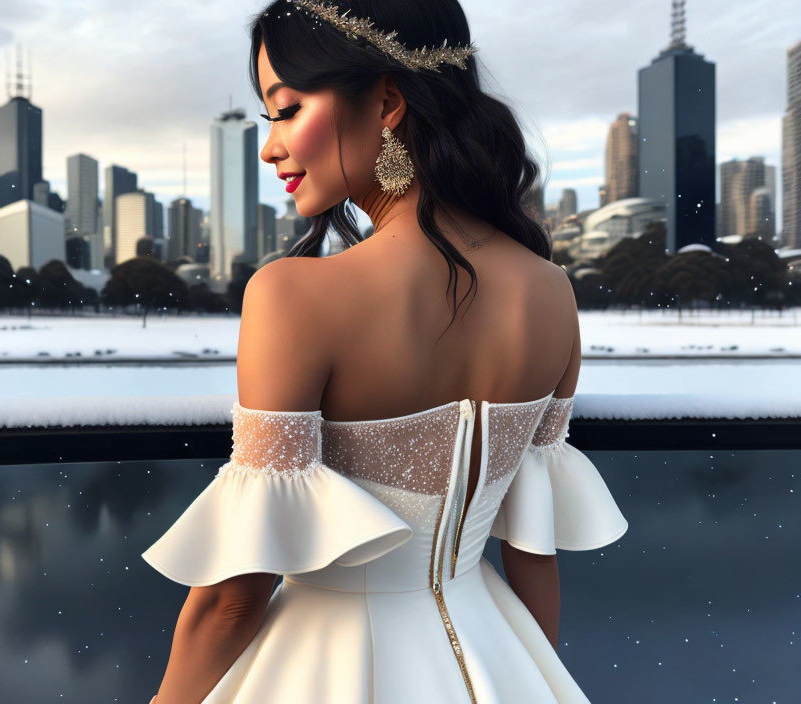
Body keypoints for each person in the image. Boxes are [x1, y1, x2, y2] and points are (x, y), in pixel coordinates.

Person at [142, 0, 628, 701]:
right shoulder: (550, 292)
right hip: (494, 651)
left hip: (323, 666)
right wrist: (527, 674)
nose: (270, 146)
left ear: (388, 102)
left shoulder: (293, 297)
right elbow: (532, 552)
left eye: (285, 109)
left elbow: (232, 599)